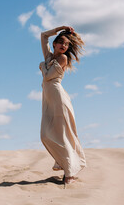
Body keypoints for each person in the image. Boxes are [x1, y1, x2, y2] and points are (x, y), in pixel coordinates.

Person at [39, 26, 87, 185]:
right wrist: (61, 28)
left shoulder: (62, 59)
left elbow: (47, 76)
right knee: (45, 135)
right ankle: (66, 164)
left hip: (58, 98)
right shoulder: (49, 56)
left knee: (62, 135)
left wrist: (41, 65)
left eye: (66, 44)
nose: (63, 46)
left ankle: (69, 173)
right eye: (60, 42)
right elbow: (43, 35)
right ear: (54, 44)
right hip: (48, 99)